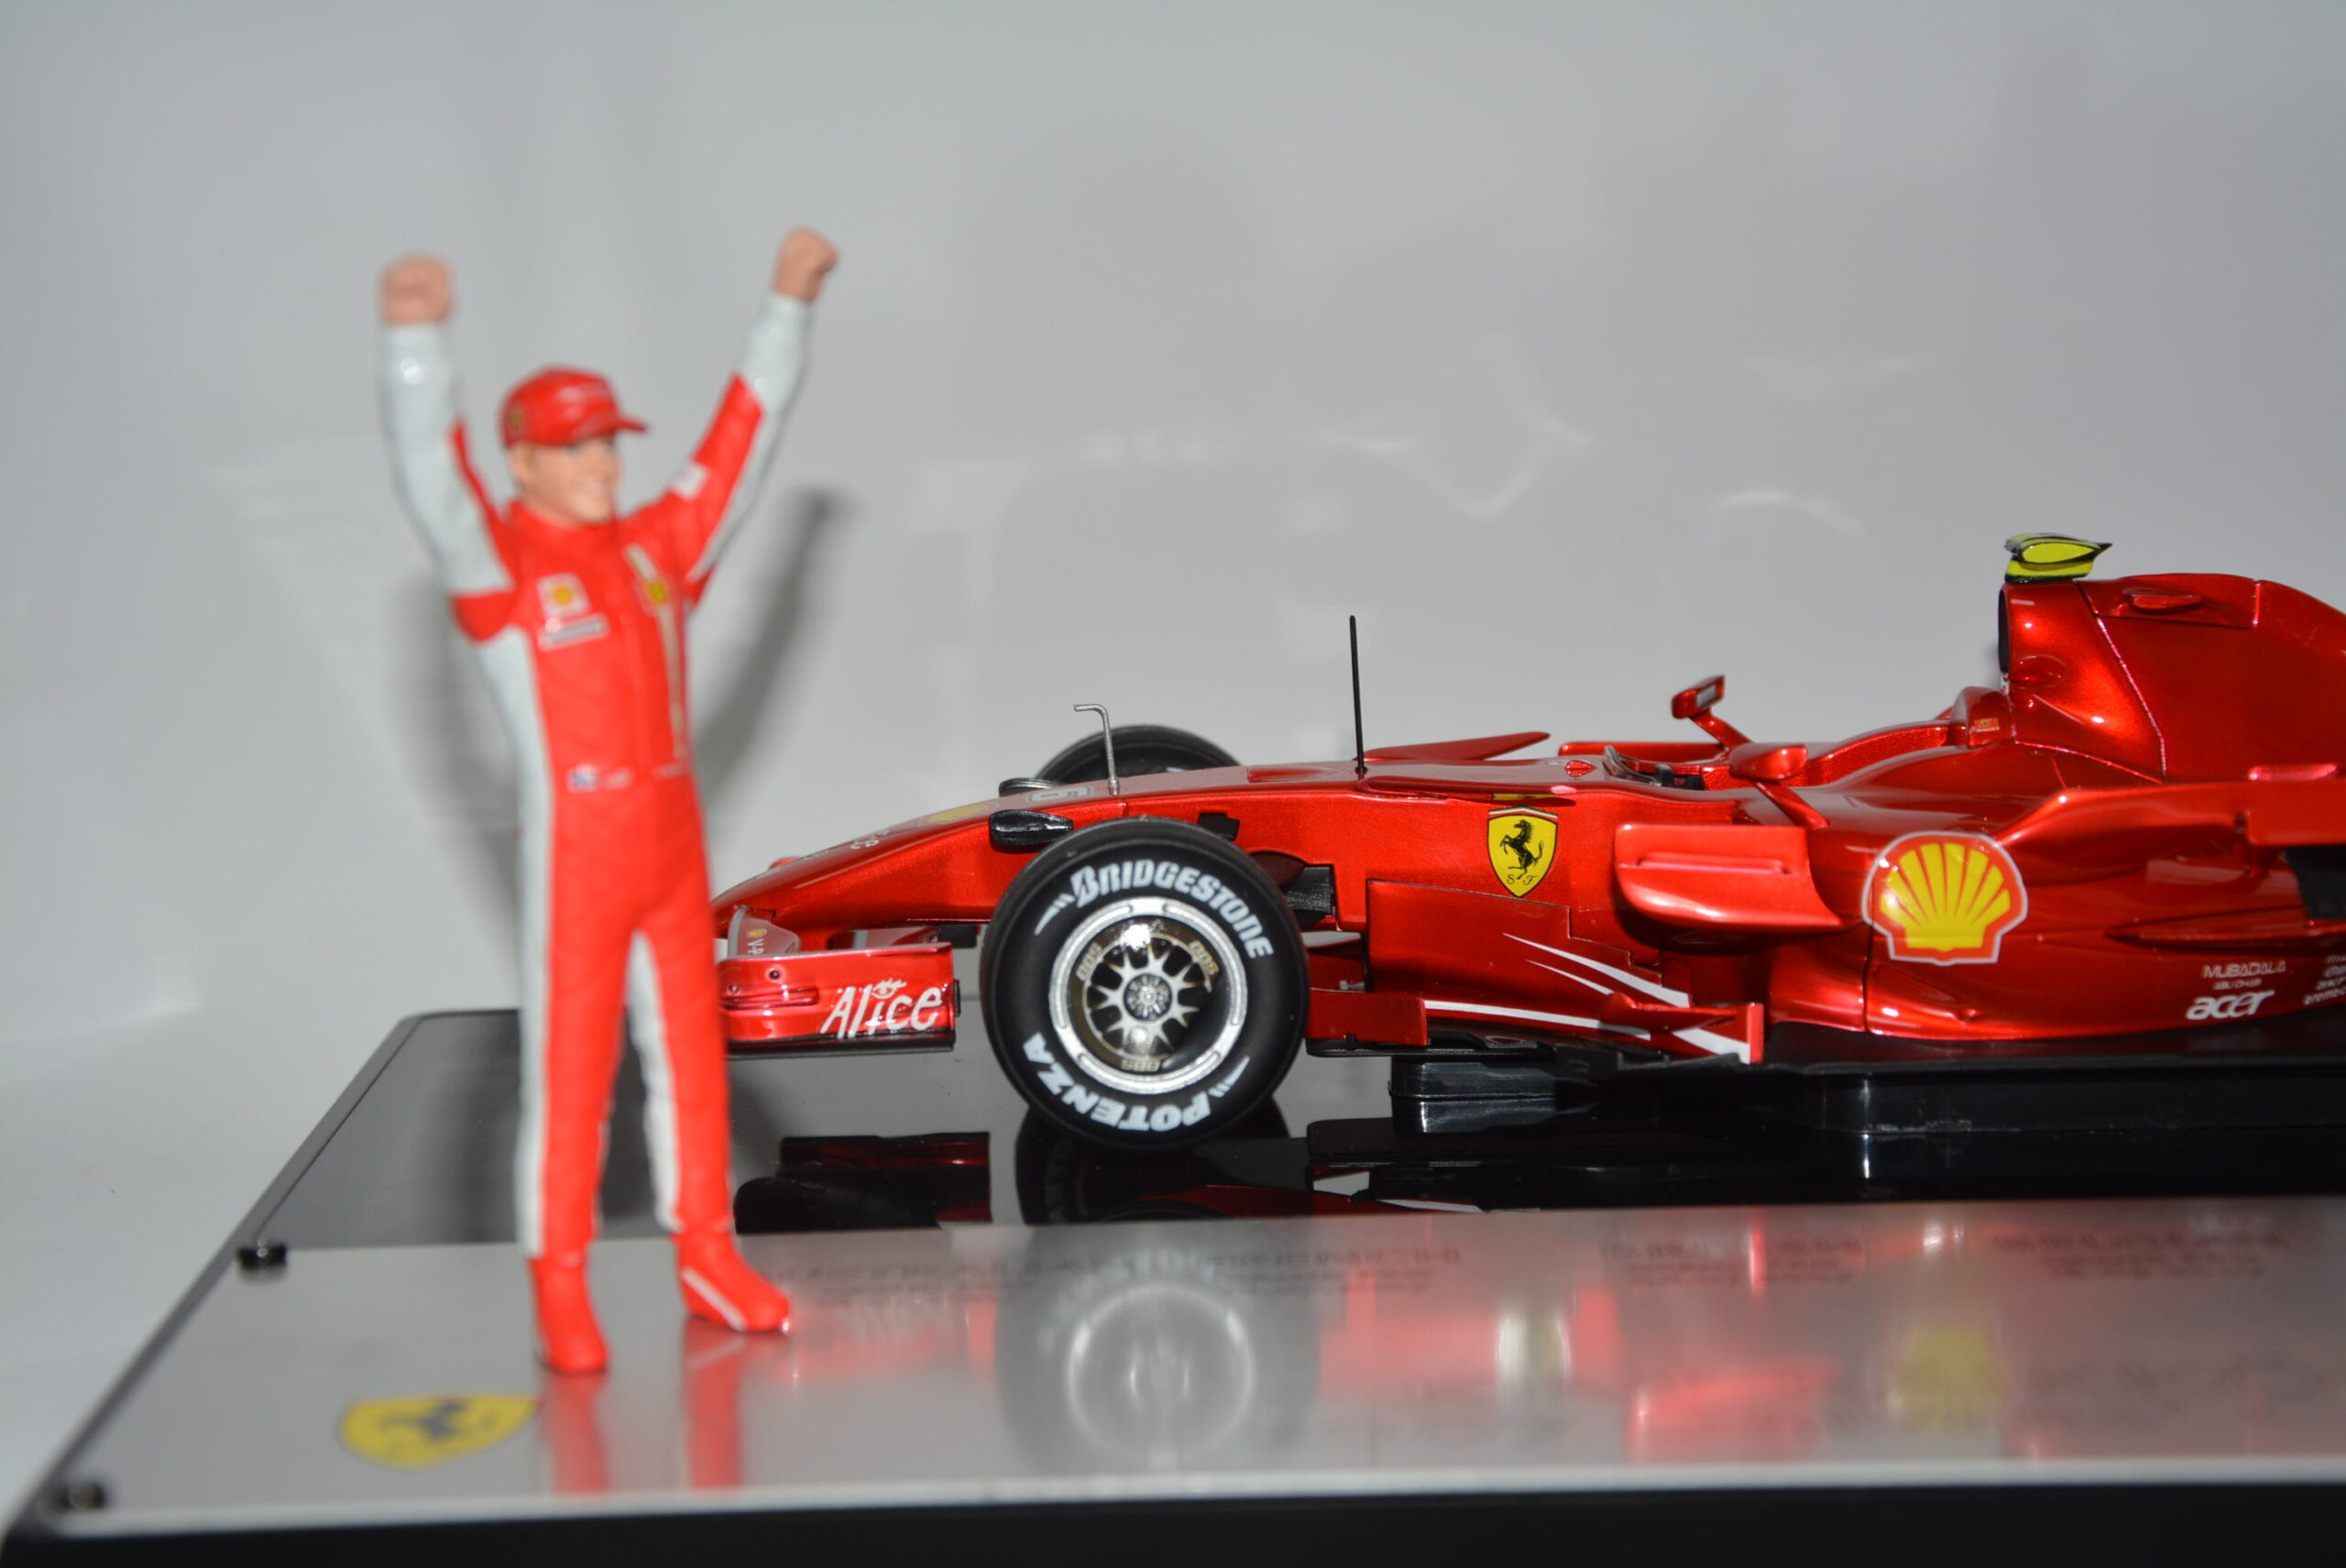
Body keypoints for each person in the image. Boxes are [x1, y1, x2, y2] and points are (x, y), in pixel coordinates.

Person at [377, 229, 838, 1373]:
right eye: (575, 447)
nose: (600, 465)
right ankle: (560, 1281)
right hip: (578, 858)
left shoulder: (654, 550)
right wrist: (416, 345)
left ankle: (706, 1252)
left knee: (693, 1064)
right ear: (524, 461)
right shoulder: (501, 572)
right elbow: (434, 487)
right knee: (572, 1077)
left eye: (608, 443)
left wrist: (785, 308)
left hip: (673, 852)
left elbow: (739, 448)